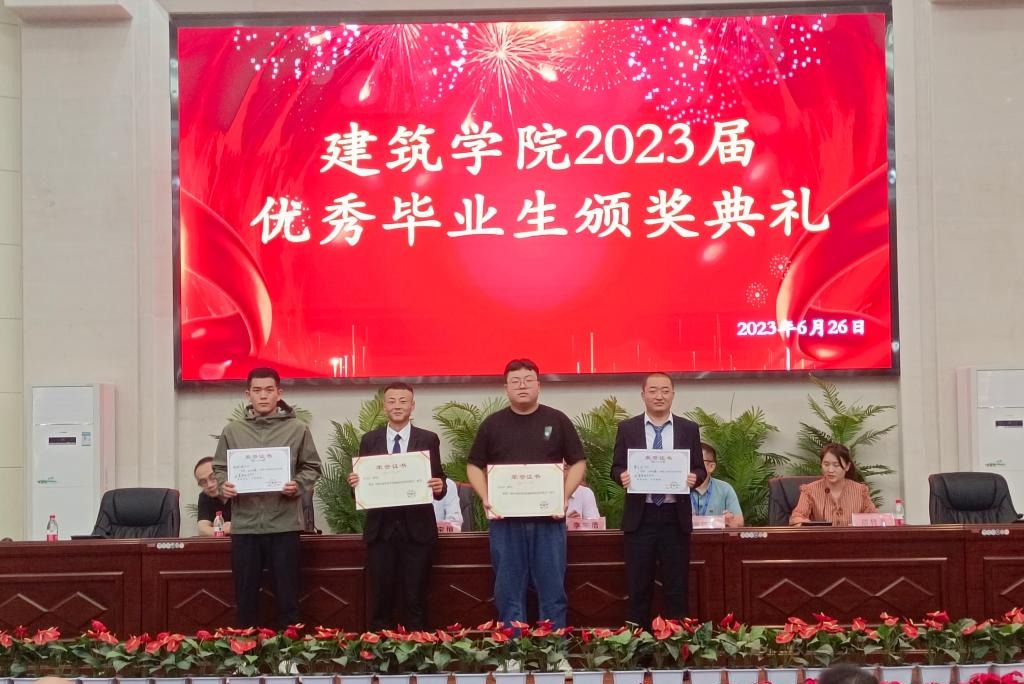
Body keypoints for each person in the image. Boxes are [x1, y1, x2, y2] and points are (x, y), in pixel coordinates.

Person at [467, 358, 586, 628]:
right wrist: (486, 497)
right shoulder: (492, 424)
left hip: (549, 521)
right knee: (508, 592)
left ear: (538, 385)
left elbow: (578, 462)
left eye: (528, 380)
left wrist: (564, 495)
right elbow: (473, 465)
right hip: (505, 522)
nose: (522, 386)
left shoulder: (557, 420)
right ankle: (513, 648)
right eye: (515, 381)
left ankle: (554, 648)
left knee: (552, 591)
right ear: (506, 388)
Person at [213, 367, 322, 628]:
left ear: (279, 393)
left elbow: (312, 466)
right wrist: (223, 485)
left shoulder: (297, 429)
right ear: (248, 395)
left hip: (283, 525)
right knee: (245, 599)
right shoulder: (233, 431)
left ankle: (289, 650)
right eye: (257, 390)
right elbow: (219, 468)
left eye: (269, 390)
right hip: (245, 527)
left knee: (288, 597)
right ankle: (244, 649)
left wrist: (297, 485)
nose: (263, 396)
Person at [611, 371, 706, 629]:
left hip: (675, 517)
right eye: (653, 391)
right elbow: (616, 467)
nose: (659, 396)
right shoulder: (627, 428)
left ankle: (677, 642)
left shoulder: (688, 428)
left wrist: (693, 478)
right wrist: (622, 476)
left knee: (677, 586)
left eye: (665, 390)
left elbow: (700, 469)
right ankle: (636, 643)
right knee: (638, 587)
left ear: (673, 394)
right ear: (643, 395)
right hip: (640, 517)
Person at [348, 382, 446, 630]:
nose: (397, 406)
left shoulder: (428, 439)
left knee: (416, 598)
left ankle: (419, 648)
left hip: (417, 532)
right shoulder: (370, 440)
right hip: (381, 532)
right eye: (392, 401)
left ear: (412, 406)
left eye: (403, 401)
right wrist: (356, 484)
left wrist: (439, 486)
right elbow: (360, 489)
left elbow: (439, 480)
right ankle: (379, 649)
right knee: (380, 599)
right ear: (384, 406)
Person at [789, 442, 878, 526]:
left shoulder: (860, 491)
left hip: (852, 537)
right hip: (821, 537)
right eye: (826, 464)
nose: (830, 470)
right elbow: (796, 518)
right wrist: (811, 526)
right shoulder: (809, 490)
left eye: (836, 465)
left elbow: (874, 519)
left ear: (847, 466)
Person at [689, 443, 744, 527]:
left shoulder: (725, 489)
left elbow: (739, 524)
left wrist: (730, 521)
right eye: (690, 461)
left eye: (697, 461)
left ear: (711, 466)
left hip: (716, 535)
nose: (691, 465)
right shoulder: (678, 490)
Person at [194, 456, 232, 536]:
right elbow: (203, 530)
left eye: (213, 477)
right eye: (203, 482)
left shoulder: (242, 492)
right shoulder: (205, 497)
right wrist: (226, 529)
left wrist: (216, 530)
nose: (209, 485)